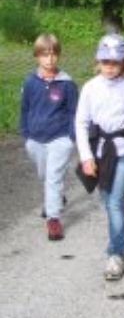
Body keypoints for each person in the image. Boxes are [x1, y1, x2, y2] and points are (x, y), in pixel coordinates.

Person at [75, 34, 124, 280]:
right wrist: (86, 157)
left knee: (114, 202)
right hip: (100, 153)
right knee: (108, 200)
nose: (109, 67)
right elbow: (80, 123)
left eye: (115, 62)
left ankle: (116, 254)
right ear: (98, 61)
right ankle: (122, 228)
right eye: (105, 62)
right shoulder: (90, 88)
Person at [20, 34, 78, 241]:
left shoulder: (67, 84)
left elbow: (74, 112)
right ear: (37, 57)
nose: (50, 59)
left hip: (59, 137)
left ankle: (53, 218)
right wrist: (26, 134)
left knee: (53, 176)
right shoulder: (30, 82)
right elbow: (25, 109)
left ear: (58, 56)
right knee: (45, 175)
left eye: (53, 54)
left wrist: (71, 137)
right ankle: (55, 197)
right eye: (45, 55)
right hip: (35, 139)